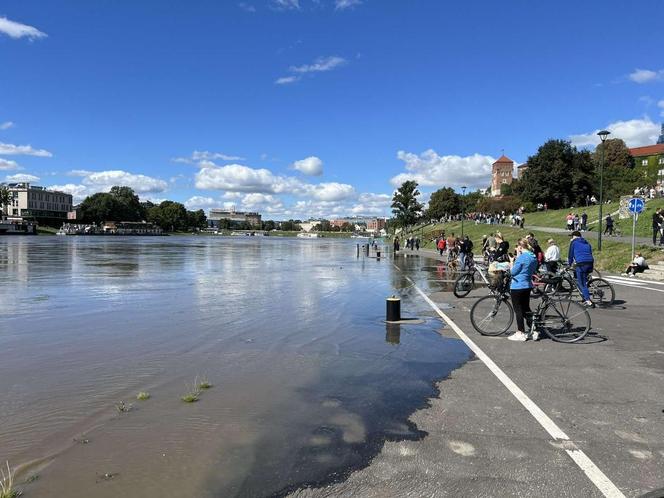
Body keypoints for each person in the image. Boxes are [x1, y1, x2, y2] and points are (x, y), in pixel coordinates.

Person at [508, 239, 539, 342]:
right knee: (526, 309)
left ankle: (520, 332)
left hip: (518, 285)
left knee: (518, 310)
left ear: (520, 247)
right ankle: (534, 329)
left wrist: (512, 262)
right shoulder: (532, 256)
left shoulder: (522, 257)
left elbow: (513, 272)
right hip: (527, 284)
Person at [568, 231, 595, 308]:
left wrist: (570, 264)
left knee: (582, 283)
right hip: (590, 262)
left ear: (575, 236)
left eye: (572, 236)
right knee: (582, 280)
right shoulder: (586, 242)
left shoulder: (574, 243)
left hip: (581, 264)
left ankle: (588, 301)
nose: (571, 238)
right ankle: (584, 295)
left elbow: (570, 255)